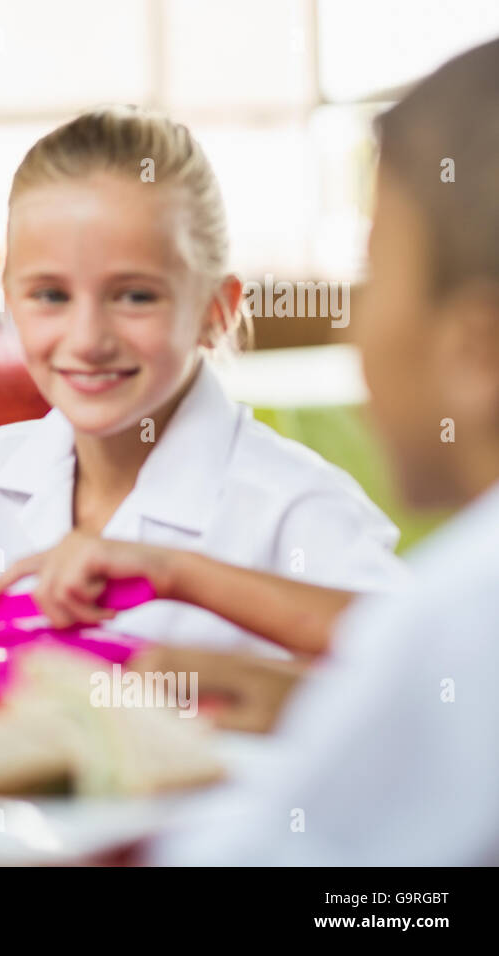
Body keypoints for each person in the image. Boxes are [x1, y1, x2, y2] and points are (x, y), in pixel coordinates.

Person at [0, 107, 403, 655]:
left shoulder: (289, 503)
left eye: (135, 296)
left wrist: (173, 571)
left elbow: (422, 656)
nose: (87, 339)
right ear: (10, 302)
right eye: (50, 295)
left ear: (215, 312)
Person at [150, 37, 499, 865]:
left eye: (374, 270)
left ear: (478, 354)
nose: (353, 324)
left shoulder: (463, 617)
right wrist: (334, 710)